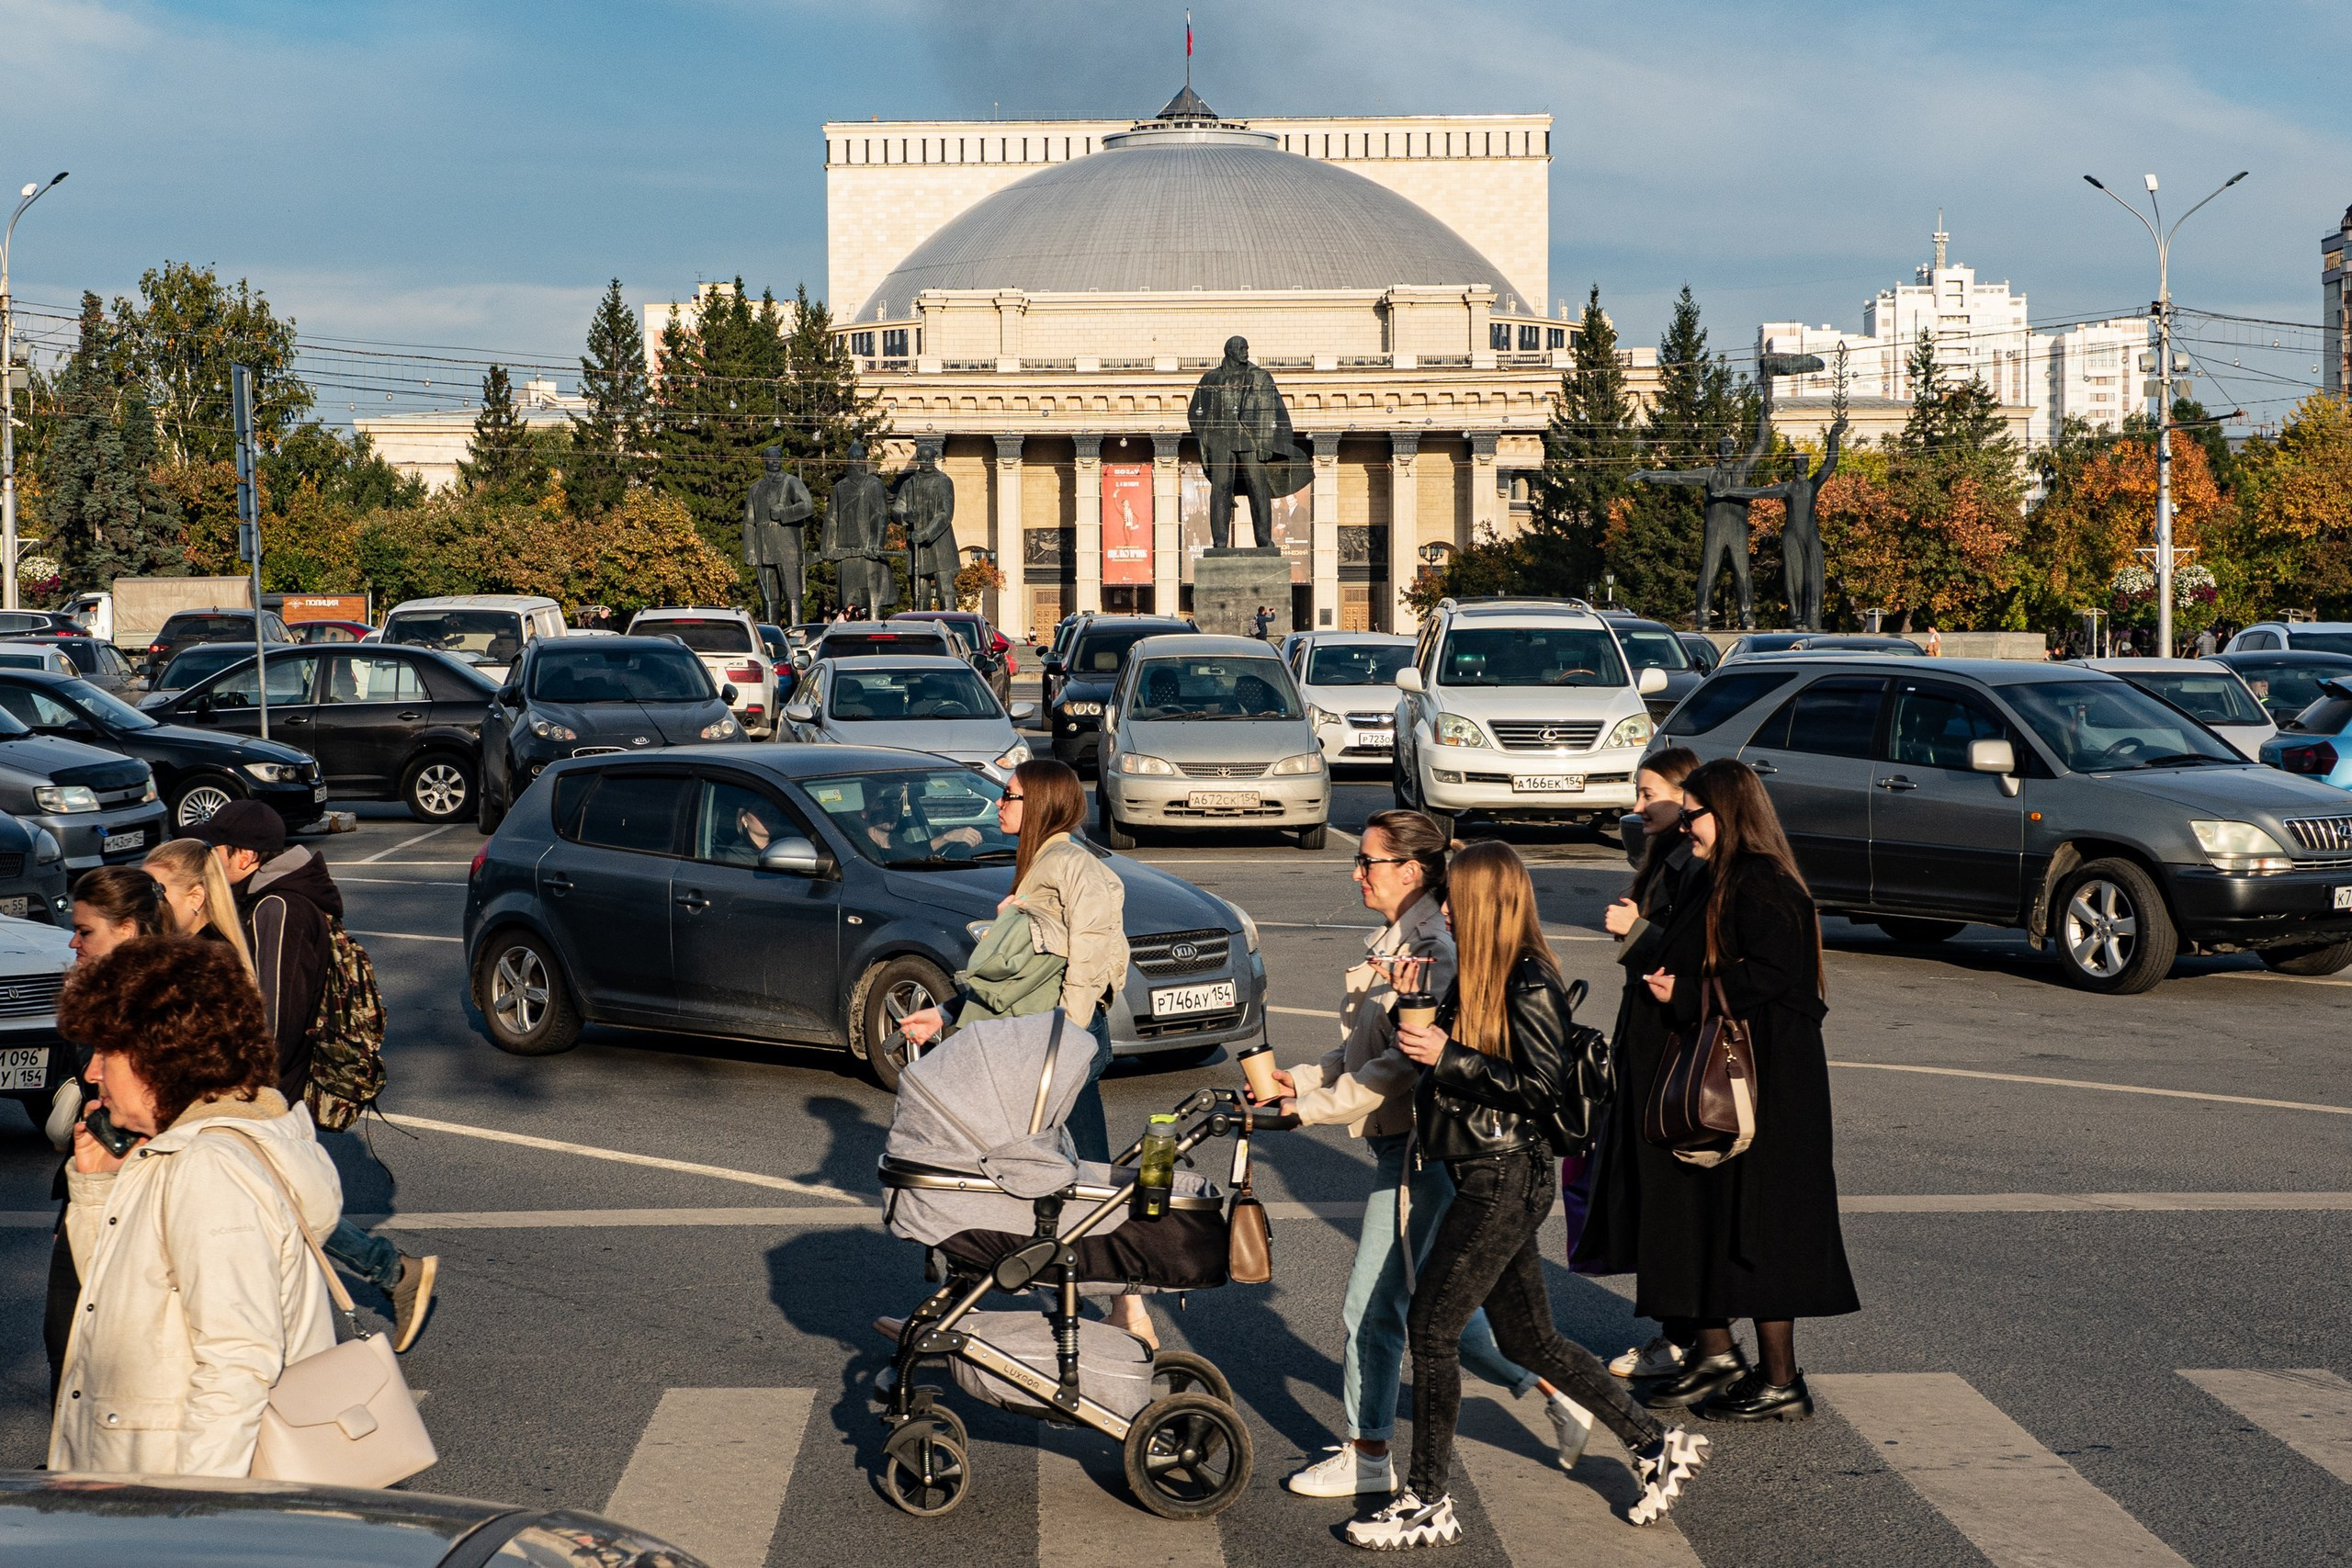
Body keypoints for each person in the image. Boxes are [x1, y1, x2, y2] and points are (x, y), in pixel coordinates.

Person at [1349, 840, 1705, 1549]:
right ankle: (1655, 1442)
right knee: (1528, 1337)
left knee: (1431, 1325)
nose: (1444, 908)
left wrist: (1447, 1054)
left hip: (1507, 1176)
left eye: (1456, 898)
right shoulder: (1483, 968)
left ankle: (1426, 1497)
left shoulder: (1528, 976)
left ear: (1488, 902)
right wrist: (1411, 1008)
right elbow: (1463, 1053)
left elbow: (1540, 1086)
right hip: (1481, 1171)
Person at [1262, 811, 1595, 1500]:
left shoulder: (1432, 948)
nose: (1357, 871)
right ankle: (1553, 1385)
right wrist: (1302, 1078)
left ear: (1411, 869)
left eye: (1369, 860)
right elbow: (1366, 1045)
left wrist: (1311, 1107)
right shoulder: (1397, 938)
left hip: (1425, 1149)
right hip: (1402, 1145)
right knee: (1443, 1311)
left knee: (1376, 1308)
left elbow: (1405, 1065)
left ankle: (1370, 1451)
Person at [49, 936, 346, 1476]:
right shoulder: (178, 1152)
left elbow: (238, 1362)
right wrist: (95, 1194)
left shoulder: (209, 1168)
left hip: (170, 1499)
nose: (93, 1074)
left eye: (105, 1053)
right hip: (140, 1485)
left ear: (157, 1054)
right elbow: (119, 1311)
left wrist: (198, 1516)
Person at [1629, 759, 1859, 1424]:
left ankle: (1782, 1379)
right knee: (1744, 1222)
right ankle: (1749, 1364)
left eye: (1695, 813)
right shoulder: (1728, 873)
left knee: (1768, 1227)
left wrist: (1692, 994)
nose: (1687, 825)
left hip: (1770, 1081)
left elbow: (1776, 975)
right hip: (1754, 1073)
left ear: (1725, 814)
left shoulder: (1758, 880)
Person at [891, 759, 1149, 1341]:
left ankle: (1123, 1305)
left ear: (1044, 804)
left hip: (1058, 1048)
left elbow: (1087, 963)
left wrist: (1070, 1042)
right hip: (1038, 1046)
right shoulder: (1040, 866)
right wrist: (947, 1013)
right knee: (1027, 1171)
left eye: (1010, 797)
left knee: (1076, 1178)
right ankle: (970, 1294)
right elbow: (1019, 981)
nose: (1000, 806)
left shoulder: (1072, 867)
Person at [193, 799, 438, 1352]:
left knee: (280, 1207)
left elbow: (277, 1016)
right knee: (281, 1205)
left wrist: (248, 1094)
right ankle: (396, 1276)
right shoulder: (268, 899)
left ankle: (387, 1280)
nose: (209, 858)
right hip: (272, 1086)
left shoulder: (277, 907)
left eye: (216, 848)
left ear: (246, 856)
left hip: (272, 1088)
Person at [1577, 749, 1704, 1382]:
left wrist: (1635, 932)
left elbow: (1690, 959)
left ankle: (1686, 1334)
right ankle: (1678, 1328)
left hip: (1672, 1048)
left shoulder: (1693, 865)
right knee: (1649, 1189)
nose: (1636, 804)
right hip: (1648, 1041)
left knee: (1667, 1191)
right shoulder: (1665, 857)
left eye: (1647, 791)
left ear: (1686, 797)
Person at [42, 867, 166, 1399]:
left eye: (87, 930)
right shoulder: (96, 995)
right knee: (66, 1349)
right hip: (92, 1186)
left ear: (130, 930)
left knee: (104, 1361)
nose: (74, 941)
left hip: (137, 1196)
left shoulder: (168, 1010)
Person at [145, 836, 256, 968]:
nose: (145, 900)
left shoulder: (208, 961)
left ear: (195, 898)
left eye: (156, 891)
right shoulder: (194, 950)